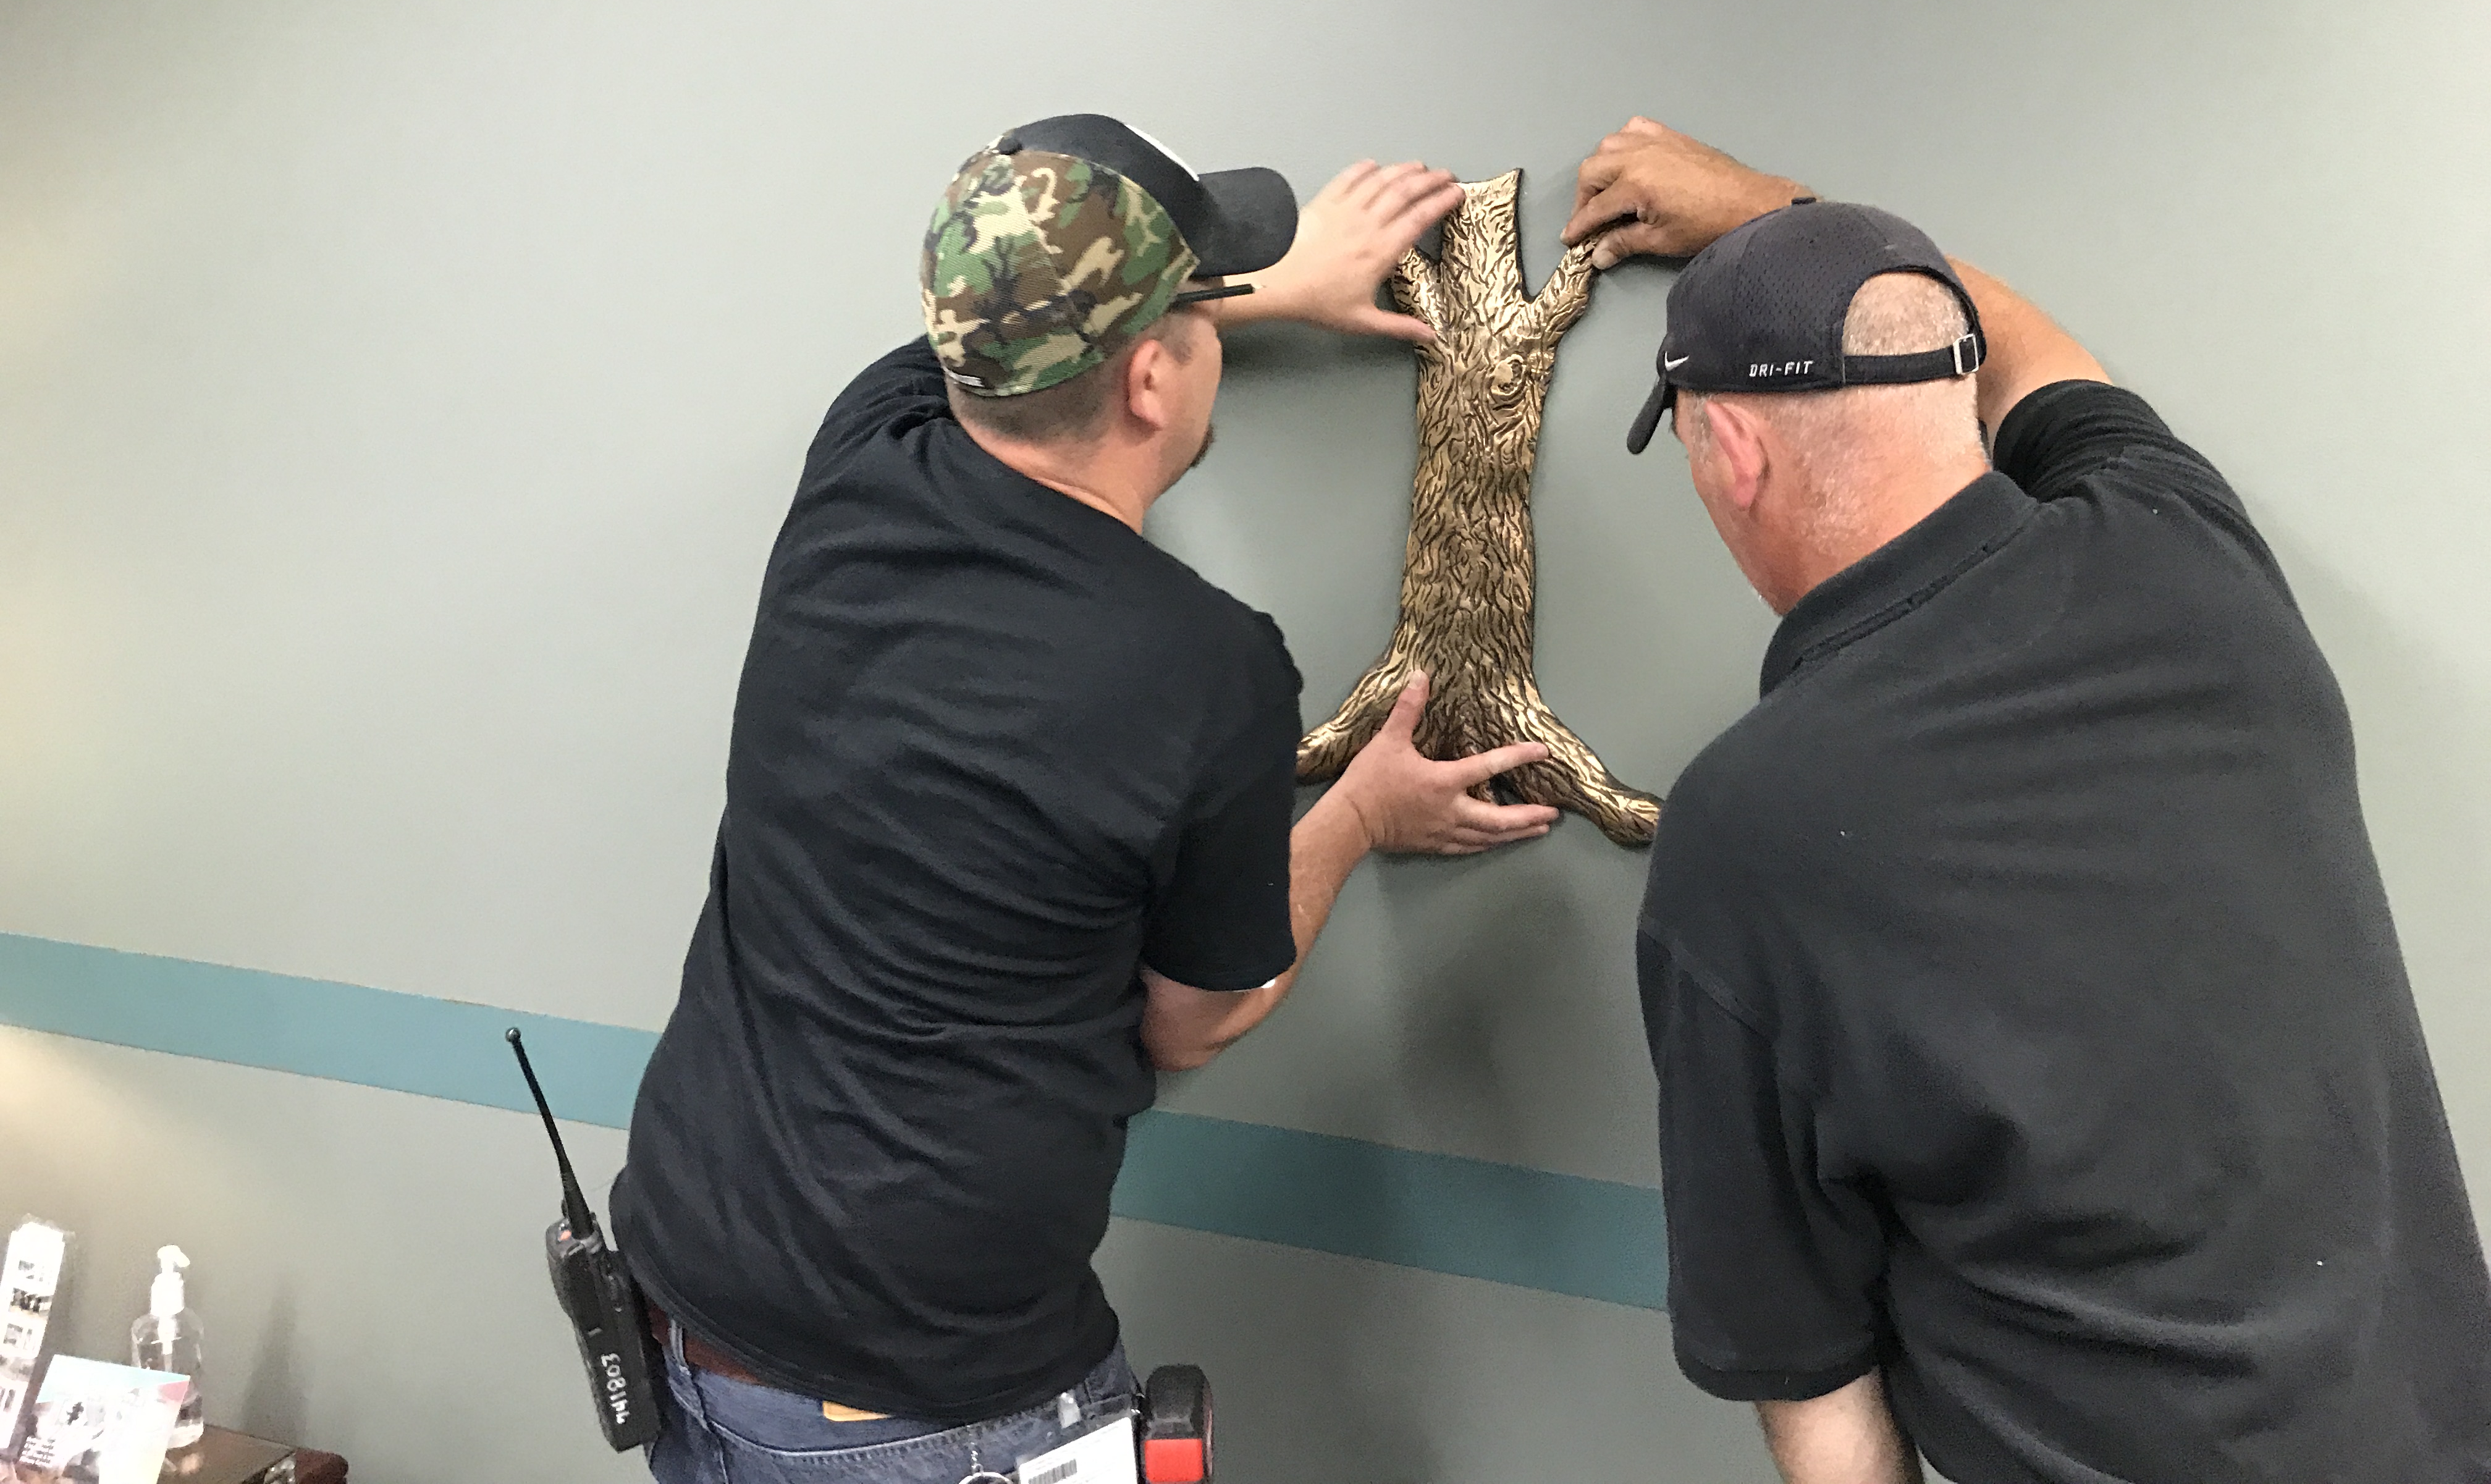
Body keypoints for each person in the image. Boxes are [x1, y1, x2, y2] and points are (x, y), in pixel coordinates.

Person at [610, 114, 1559, 1484]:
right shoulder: (1205, 669)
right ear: (1154, 377)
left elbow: (995, 292)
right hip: (926, 1414)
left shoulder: (859, 461)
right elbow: (1195, 1018)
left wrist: (1260, 291)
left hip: (688, 1317)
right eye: (1199, 309)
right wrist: (1357, 815)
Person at [1562, 117, 2491, 1484]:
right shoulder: (2187, 545)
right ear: (1958, 395)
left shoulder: (1745, 831)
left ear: (1729, 454)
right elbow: (2038, 352)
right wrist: (1773, 211)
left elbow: (1815, 1378)